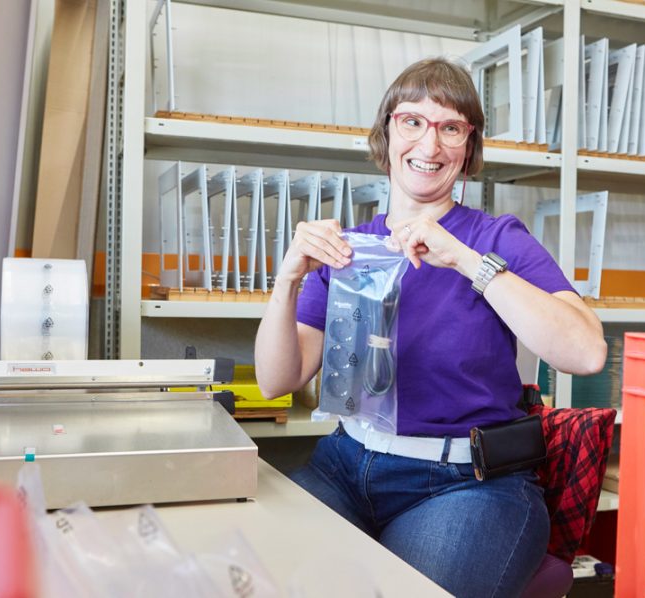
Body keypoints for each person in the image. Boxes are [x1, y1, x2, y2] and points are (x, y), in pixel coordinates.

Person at [255, 57, 607, 597]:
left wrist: (468, 261)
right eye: (412, 121)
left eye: (451, 127)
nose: (430, 144)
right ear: (387, 133)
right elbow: (276, 380)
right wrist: (288, 279)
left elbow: (585, 353)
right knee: (263, 580)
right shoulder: (347, 250)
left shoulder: (495, 238)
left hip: (467, 485)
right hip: (345, 466)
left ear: (468, 147)